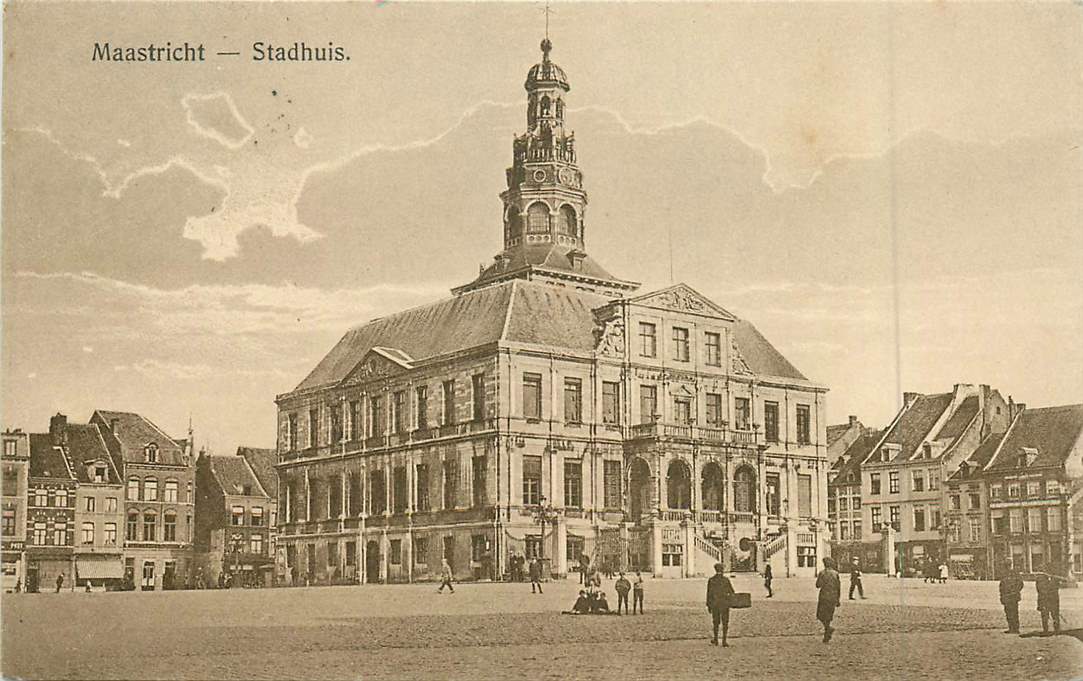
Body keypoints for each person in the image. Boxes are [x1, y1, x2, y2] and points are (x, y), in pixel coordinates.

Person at [706, 562, 735, 647]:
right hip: (724, 604)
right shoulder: (726, 580)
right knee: (725, 622)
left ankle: (715, 639)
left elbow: (709, 594)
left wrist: (708, 605)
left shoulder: (711, 580)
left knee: (716, 622)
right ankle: (724, 641)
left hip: (715, 604)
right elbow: (731, 591)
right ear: (722, 570)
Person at [816, 557, 841, 643]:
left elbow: (818, 585)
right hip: (833, 597)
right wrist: (838, 599)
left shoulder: (822, 573)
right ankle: (828, 631)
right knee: (829, 615)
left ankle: (828, 630)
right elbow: (838, 587)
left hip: (823, 597)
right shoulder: (835, 574)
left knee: (820, 615)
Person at [998, 564, 1024, 634]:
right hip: (1007, 597)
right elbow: (1001, 587)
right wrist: (1002, 596)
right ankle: (1011, 628)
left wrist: (1015, 591)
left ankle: (1015, 628)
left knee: (1014, 613)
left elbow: (1020, 584)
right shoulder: (1004, 574)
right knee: (1008, 613)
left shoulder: (1015, 574)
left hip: (1013, 597)